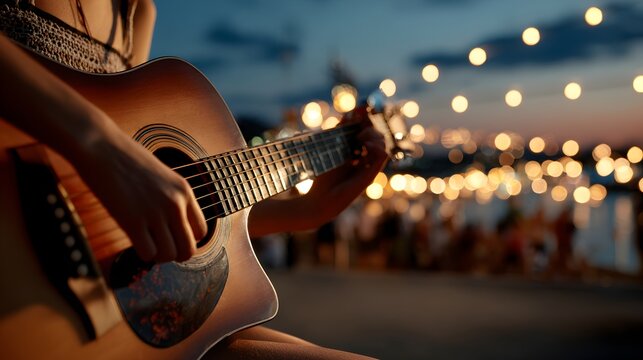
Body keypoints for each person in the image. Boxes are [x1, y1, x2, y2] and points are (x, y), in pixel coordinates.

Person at [0, 0, 387, 358]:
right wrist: (97, 143)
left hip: (101, 317)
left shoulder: (134, 13)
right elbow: (119, 165)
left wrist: (306, 210)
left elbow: (165, 208)